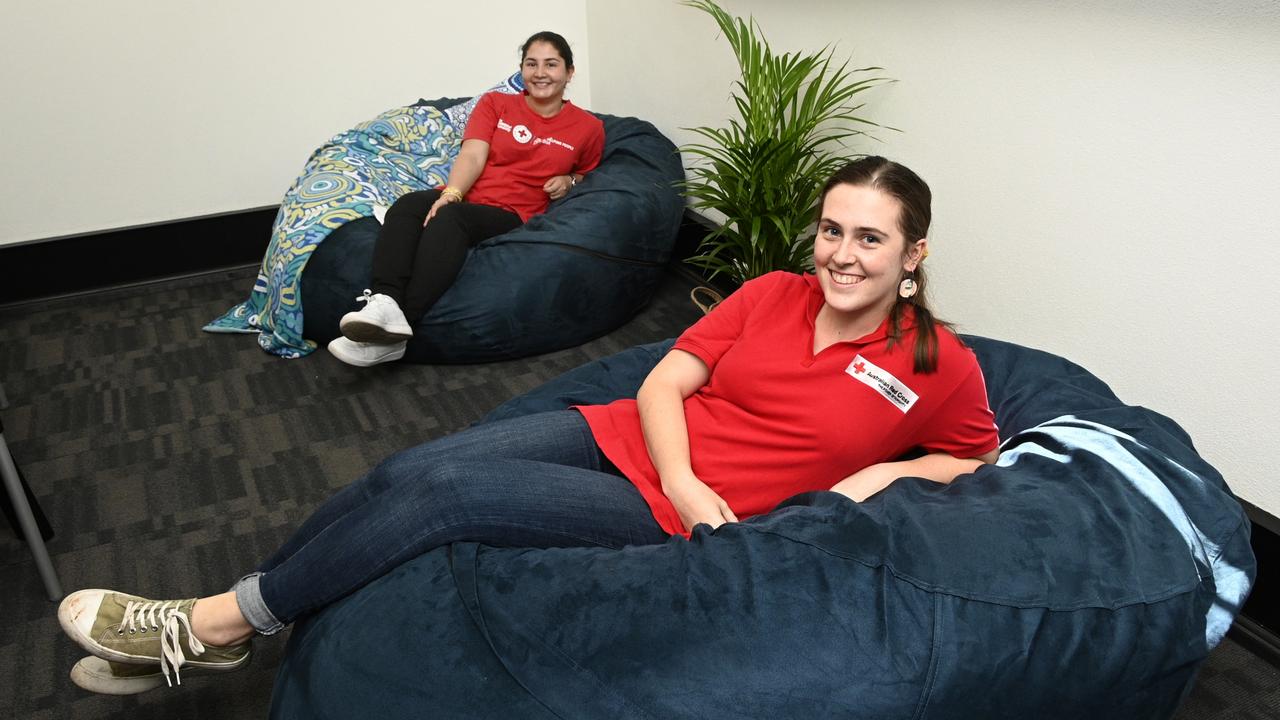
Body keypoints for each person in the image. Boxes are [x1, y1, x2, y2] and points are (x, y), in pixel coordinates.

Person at [58, 156, 1001, 694]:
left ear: (913, 253)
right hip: (638, 447)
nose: (841, 254)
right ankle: (241, 620)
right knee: (404, 468)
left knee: (449, 493)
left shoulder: (935, 362)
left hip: (687, 519)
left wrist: (887, 477)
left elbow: (978, 455)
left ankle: (211, 623)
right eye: (832, 230)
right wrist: (678, 471)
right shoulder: (772, 293)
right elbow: (666, 382)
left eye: (869, 238)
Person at [327, 30, 605, 367]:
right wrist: (452, 193)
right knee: (408, 206)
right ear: (521, 69)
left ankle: (403, 324)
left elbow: (588, 173)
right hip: (471, 194)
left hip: (513, 211)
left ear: (569, 72)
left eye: (551, 64)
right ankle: (384, 301)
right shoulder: (496, 104)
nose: (540, 73)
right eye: (531, 64)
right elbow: (473, 155)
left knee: (450, 219)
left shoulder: (587, 127)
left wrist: (569, 179)